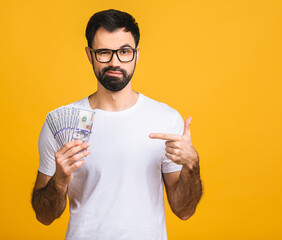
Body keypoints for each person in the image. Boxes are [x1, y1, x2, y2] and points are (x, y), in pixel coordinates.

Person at [31, 9, 203, 240]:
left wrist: (192, 166)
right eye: (103, 52)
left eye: (124, 51)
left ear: (137, 54)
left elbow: (184, 210)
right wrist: (59, 182)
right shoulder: (62, 123)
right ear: (89, 55)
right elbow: (44, 216)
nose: (115, 62)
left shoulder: (165, 119)